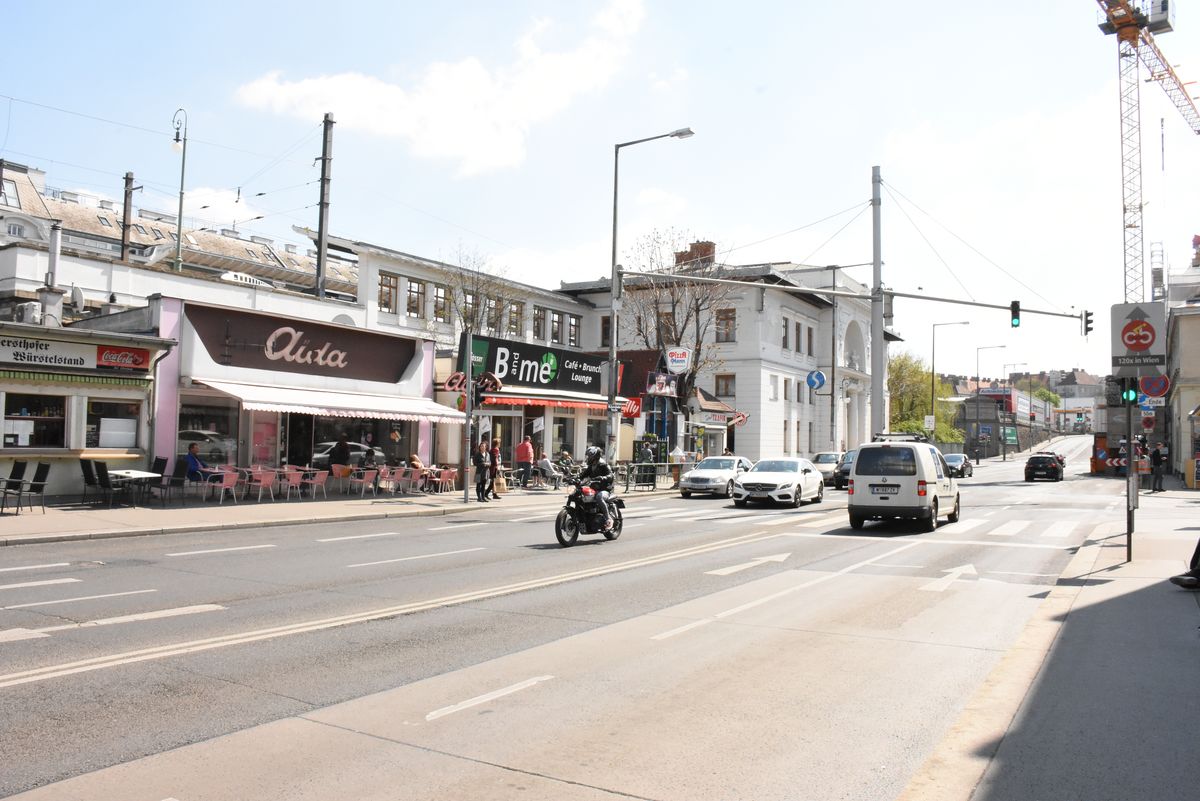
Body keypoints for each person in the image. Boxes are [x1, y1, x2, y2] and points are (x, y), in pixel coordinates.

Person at [579, 445, 615, 531]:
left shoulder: (603, 464)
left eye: (589, 456)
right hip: (594, 488)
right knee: (581, 496)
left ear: (595, 456)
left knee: (599, 497)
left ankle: (608, 519)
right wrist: (574, 478)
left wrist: (603, 478)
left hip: (605, 489)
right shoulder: (592, 466)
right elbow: (583, 475)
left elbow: (610, 475)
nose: (588, 458)